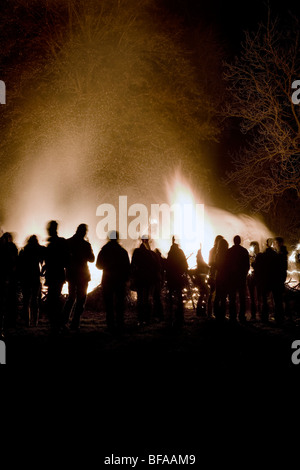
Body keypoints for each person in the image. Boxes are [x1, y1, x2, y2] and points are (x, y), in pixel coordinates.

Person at [96, 230, 130, 331]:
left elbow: (98, 265)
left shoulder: (104, 250)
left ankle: (110, 324)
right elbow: (128, 267)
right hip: (120, 281)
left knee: (109, 304)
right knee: (120, 303)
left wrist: (108, 266)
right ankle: (120, 323)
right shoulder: (123, 251)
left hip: (107, 281)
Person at [63, 224, 95, 330]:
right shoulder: (86, 244)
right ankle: (75, 323)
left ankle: (63, 321)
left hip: (71, 274)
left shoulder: (68, 243)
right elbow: (92, 259)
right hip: (83, 275)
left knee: (71, 298)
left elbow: (64, 260)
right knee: (81, 299)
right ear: (84, 232)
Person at [44, 220, 68, 332]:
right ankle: (58, 322)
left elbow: (51, 260)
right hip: (58, 274)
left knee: (53, 299)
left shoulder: (53, 244)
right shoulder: (61, 242)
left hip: (54, 275)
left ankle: (57, 322)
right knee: (55, 299)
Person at [18, 235, 46, 327]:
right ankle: (35, 322)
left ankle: (27, 321)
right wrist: (42, 271)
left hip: (25, 277)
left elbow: (20, 264)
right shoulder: (39, 249)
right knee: (35, 300)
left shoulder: (25, 250)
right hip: (35, 277)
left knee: (26, 301)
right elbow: (46, 258)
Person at [130, 235, 157, 325]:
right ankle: (147, 318)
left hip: (139, 279)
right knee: (147, 299)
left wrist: (132, 277)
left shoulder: (137, 252)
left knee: (140, 299)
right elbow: (155, 267)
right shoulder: (151, 253)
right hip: (148, 280)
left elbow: (132, 265)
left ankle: (140, 319)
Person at [226, 235, 250, 323]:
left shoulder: (229, 251)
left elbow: (226, 265)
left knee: (232, 298)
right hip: (241, 278)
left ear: (233, 241)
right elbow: (247, 266)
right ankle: (241, 315)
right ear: (240, 241)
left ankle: (232, 316)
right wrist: (244, 274)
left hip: (232, 279)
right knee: (242, 297)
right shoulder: (244, 251)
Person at [166, 236, 188, 327]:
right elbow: (185, 265)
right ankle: (180, 316)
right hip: (178, 277)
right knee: (179, 296)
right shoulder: (180, 252)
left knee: (171, 296)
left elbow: (167, 265)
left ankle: (170, 315)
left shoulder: (170, 253)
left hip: (171, 278)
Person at [0, 232, 18, 333]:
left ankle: (7, 321)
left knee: (7, 301)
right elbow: (14, 261)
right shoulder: (11, 247)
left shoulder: (4, 248)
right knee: (10, 301)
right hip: (9, 277)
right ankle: (10, 321)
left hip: (7, 276)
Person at [213, 238, 229, 322]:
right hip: (225, 277)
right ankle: (222, 314)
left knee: (218, 296)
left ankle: (216, 313)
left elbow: (215, 265)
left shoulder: (217, 254)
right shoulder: (228, 255)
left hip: (218, 276)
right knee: (223, 297)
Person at [207, 235, 224, 317]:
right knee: (212, 292)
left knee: (217, 294)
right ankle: (210, 311)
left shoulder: (221, 251)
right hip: (214, 274)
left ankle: (216, 311)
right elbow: (209, 262)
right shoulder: (212, 251)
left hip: (219, 274)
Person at [247, 241, 263, 321]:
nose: (253, 248)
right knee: (252, 297)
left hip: (258, 277)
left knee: (259, 296)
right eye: (252, 246)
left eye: (255, 246)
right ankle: (253, 314)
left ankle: (260, 313)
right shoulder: (249, 256)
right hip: (251, 278)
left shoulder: (260, 256)